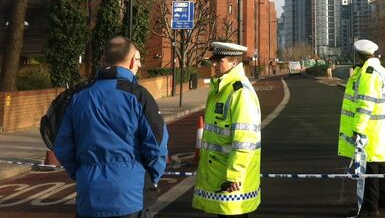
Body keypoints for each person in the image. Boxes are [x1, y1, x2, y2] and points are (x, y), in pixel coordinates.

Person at [54, 36, 169, 218]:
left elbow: (62, 145)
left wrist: (81, 172)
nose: (139, 65)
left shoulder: (77, 97)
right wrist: (150, 178)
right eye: (138, 60)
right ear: (131, 61)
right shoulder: (138, 96)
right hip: (130, 195)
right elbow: (157, 144)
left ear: (103, 61)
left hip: (89, 195)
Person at [192, 42, 261, 218]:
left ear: (234, 63)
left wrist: (234, 175)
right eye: (213, 59)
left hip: (231, 181)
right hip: (218, 175)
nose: (213, 64)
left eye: (218, 60)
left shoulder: (240, 92)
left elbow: (245, 140)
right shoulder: (220, 89)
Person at [338, 39, 385, 217]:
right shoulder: (382, 71)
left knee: (369, 170)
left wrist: (357, 128)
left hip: (370, 131)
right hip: (383, 130)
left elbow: (365, 104)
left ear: (359, 56)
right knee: (382, 166)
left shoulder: (368, 74)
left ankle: (371, 208)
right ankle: (384, 200)